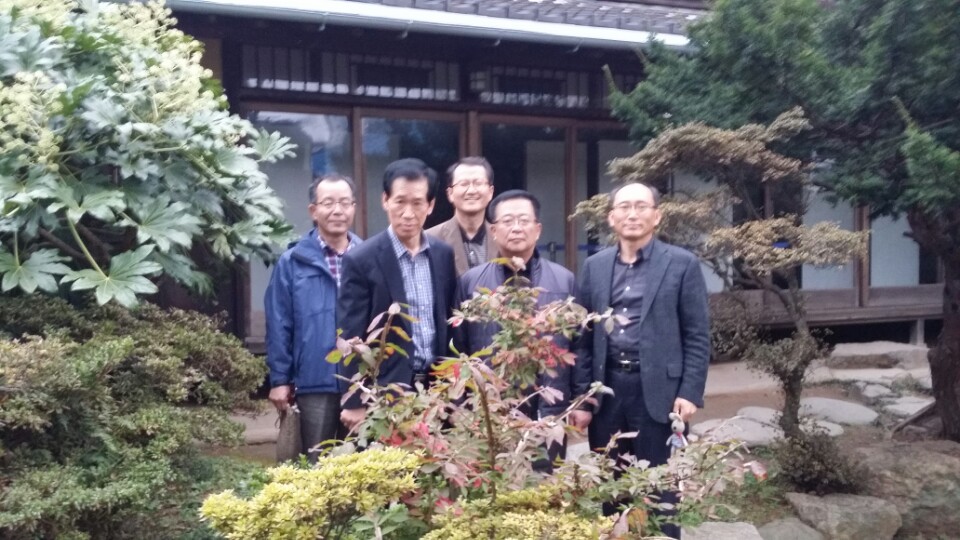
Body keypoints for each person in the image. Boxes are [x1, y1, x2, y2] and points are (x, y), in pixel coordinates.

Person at [573, 182, 710, 539]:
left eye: (641, 206)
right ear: (611, 217)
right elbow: (584, 337)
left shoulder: (681, 264)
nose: (632, 214)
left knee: (660, 490)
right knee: (612, 489)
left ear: (657, 215)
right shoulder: (594, 266)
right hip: (608, 391)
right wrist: (584, 398)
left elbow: (697, 334)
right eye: (624, 207)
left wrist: (690, 392)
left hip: (660, 393)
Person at [337, 158, 457, 432]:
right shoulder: (361, 259)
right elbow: (350, 334)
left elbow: (449, 322)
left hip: (437, 390)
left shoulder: (442, 254)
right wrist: (354, 399)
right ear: (385, 200)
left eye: (417, 203)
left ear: (430, 205)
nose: (408, 213)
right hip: (385, 391)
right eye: (400, 201)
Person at [455, 189, 586, 423]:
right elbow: (458, 348)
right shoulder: (471, 282)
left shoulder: (564, 280)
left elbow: (581, 346)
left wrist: (581, 401)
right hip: (488, 407)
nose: (516, 228)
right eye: (507, 221)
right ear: (493, 231)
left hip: (548, 405)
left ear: (538, 230)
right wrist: (459, 405)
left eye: (524, 221)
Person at [264, 173, 362, 461]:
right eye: (328, 203)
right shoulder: (292, 261)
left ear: (354, 208)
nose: (337, 210)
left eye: (344, 203)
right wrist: (280, 379)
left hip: (361, 381)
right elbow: (279, 323)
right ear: (313, 211)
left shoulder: (369, 256)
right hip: (314, 380)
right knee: (315, 463)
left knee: (361, 464)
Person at [426, 157, 498, 276]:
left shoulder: (503, 238)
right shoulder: (429, 239)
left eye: (478, 183)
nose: (471, 190)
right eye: (463, 184)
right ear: (450, 193)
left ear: (490, 192)